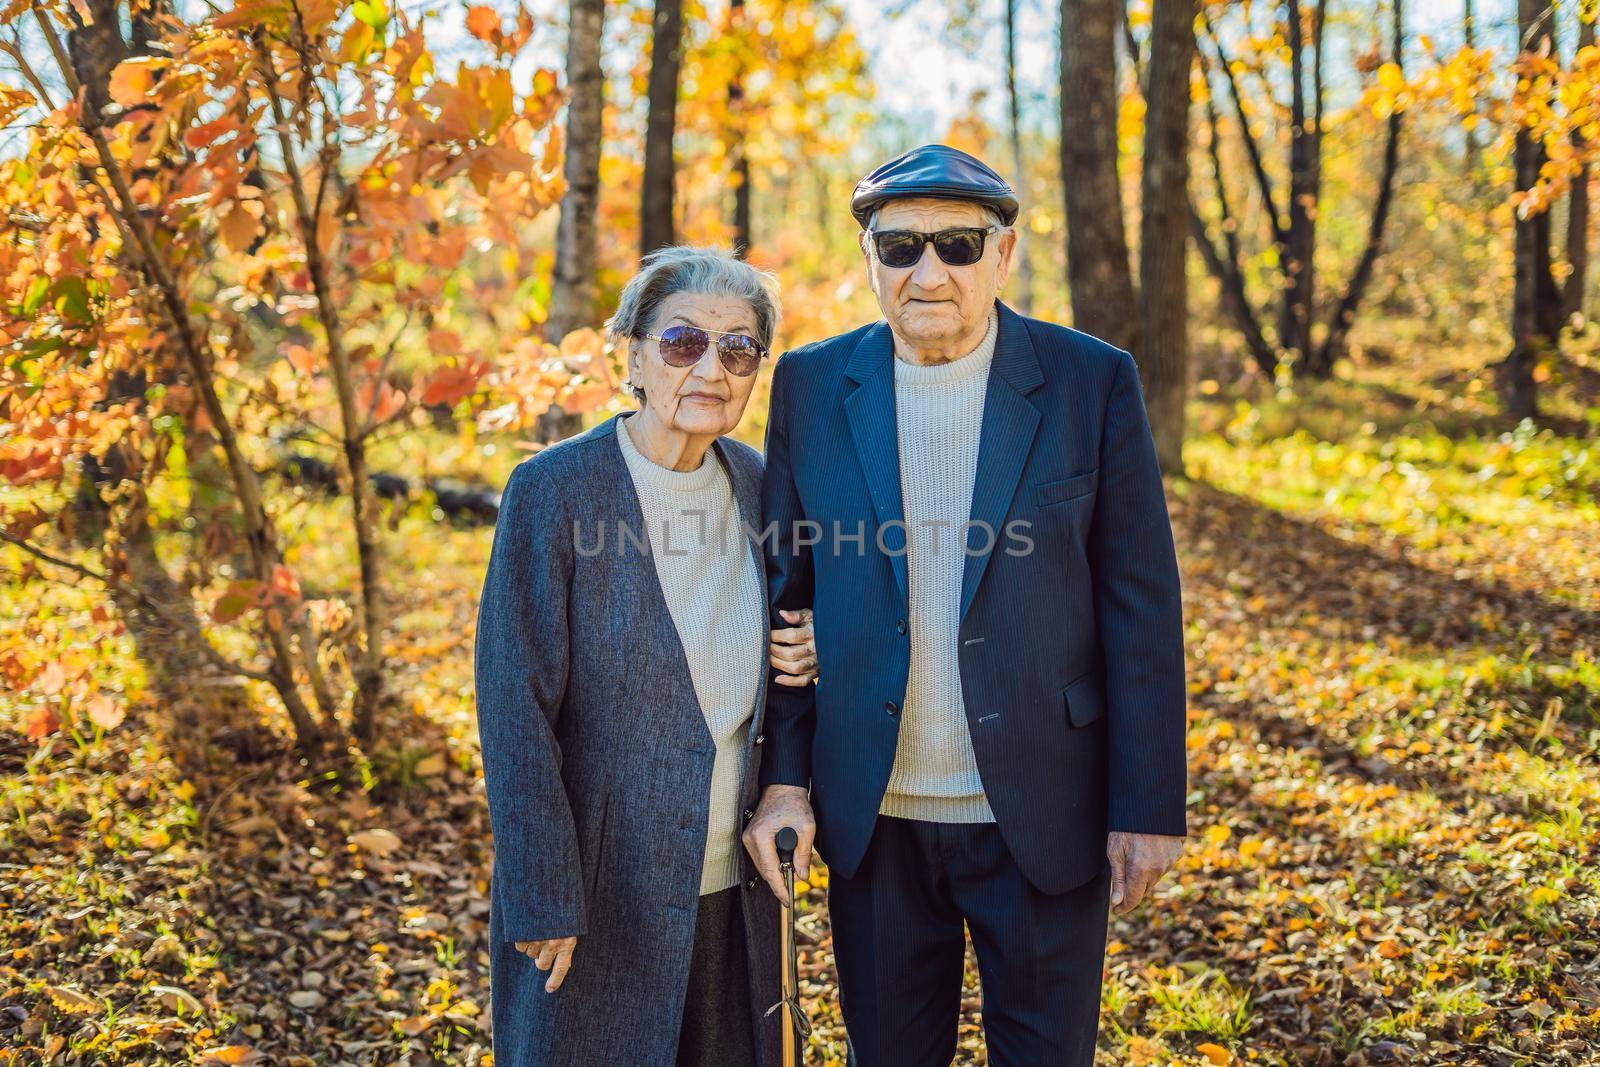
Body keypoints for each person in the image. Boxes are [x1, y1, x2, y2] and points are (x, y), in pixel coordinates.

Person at [743, 144, 1189, 1066]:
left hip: (1043, 803)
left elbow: (1140, 601)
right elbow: (791, 594)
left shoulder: (1089, 381)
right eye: (901, 247)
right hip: (876, 814)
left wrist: (1148, 803)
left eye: (957, 242)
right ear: (870, 260)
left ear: (1004, 254)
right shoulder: (813, 386)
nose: (929, 270)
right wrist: (785, 778)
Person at [475, 245, 818, 1066]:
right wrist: (541, 889)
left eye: (738, 347)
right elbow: (511, 701)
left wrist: (818, 648)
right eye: (682, 342)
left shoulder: (760, 484)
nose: (711, 366)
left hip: (735, 889)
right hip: (598, 894)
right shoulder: (554, 490)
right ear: (631, 354)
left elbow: (792, 638)